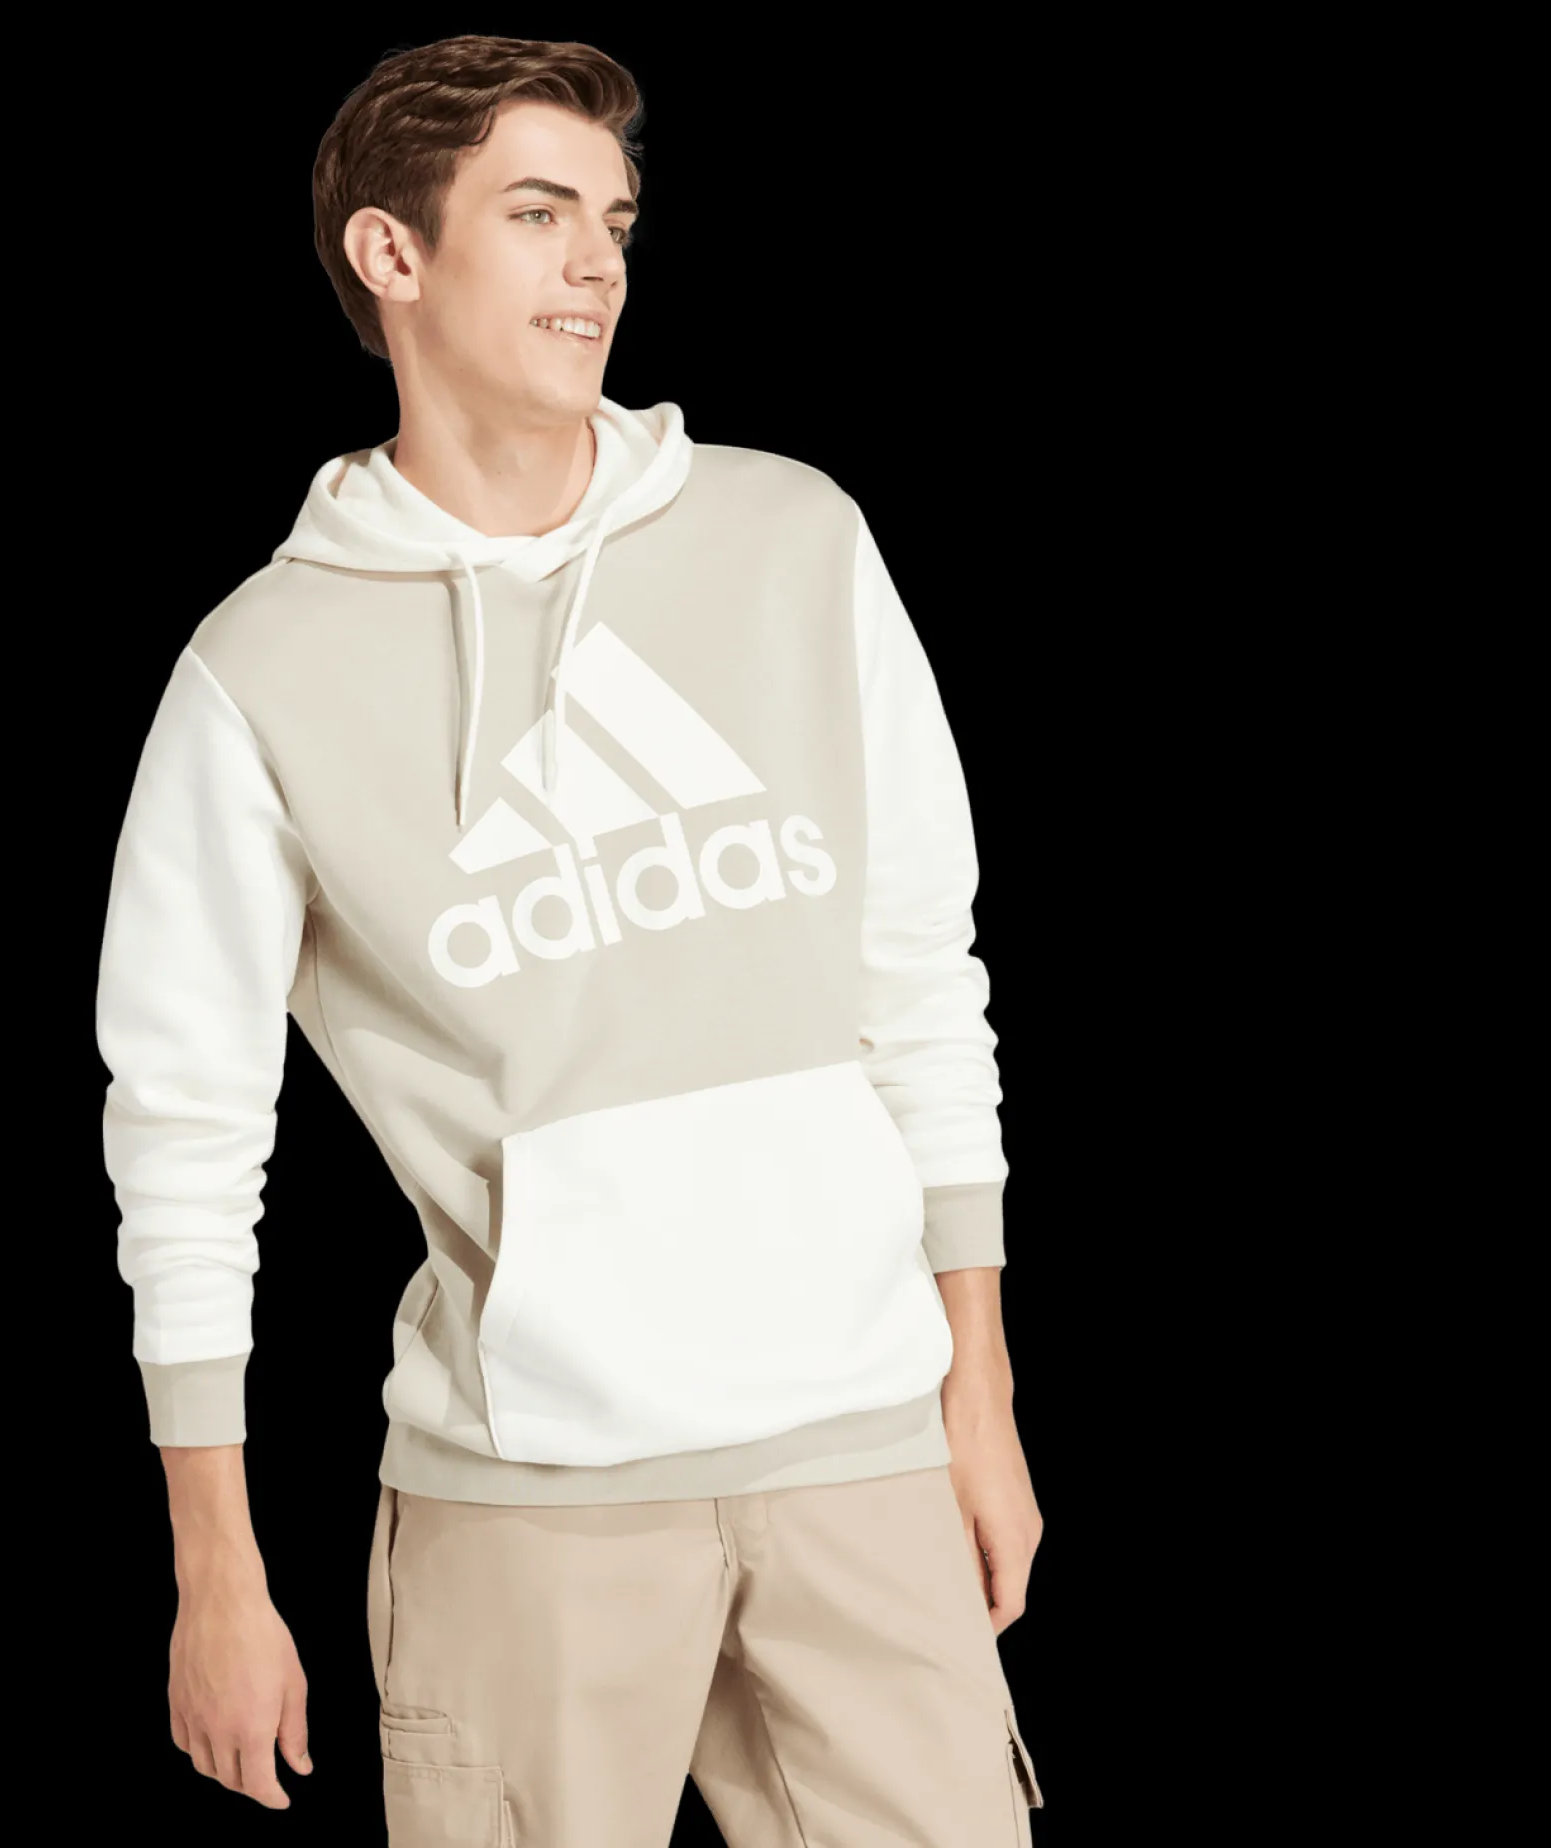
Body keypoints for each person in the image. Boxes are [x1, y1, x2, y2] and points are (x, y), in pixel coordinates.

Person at [95, 32, 1044, 1846]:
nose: (597, 263)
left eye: (612, 219)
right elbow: (185, 1139)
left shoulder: (793, 537)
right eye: (537, 215)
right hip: (526, 1488)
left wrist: (977, 1403)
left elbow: (923, 986)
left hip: (864, 1448)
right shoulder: (260, 673)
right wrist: (216, 1572)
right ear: (392, 254)